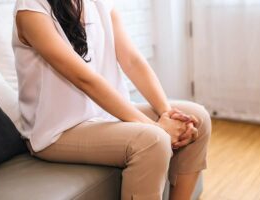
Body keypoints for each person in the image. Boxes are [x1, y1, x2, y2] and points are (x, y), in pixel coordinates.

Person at [12, 0, 211, 199]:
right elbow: (85, 80)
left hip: (101, 115)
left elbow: (132, 60)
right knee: (153, 140)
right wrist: (158, 128)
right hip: (57, 131)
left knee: (196, 118)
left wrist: (168, 113)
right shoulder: (31, 9)